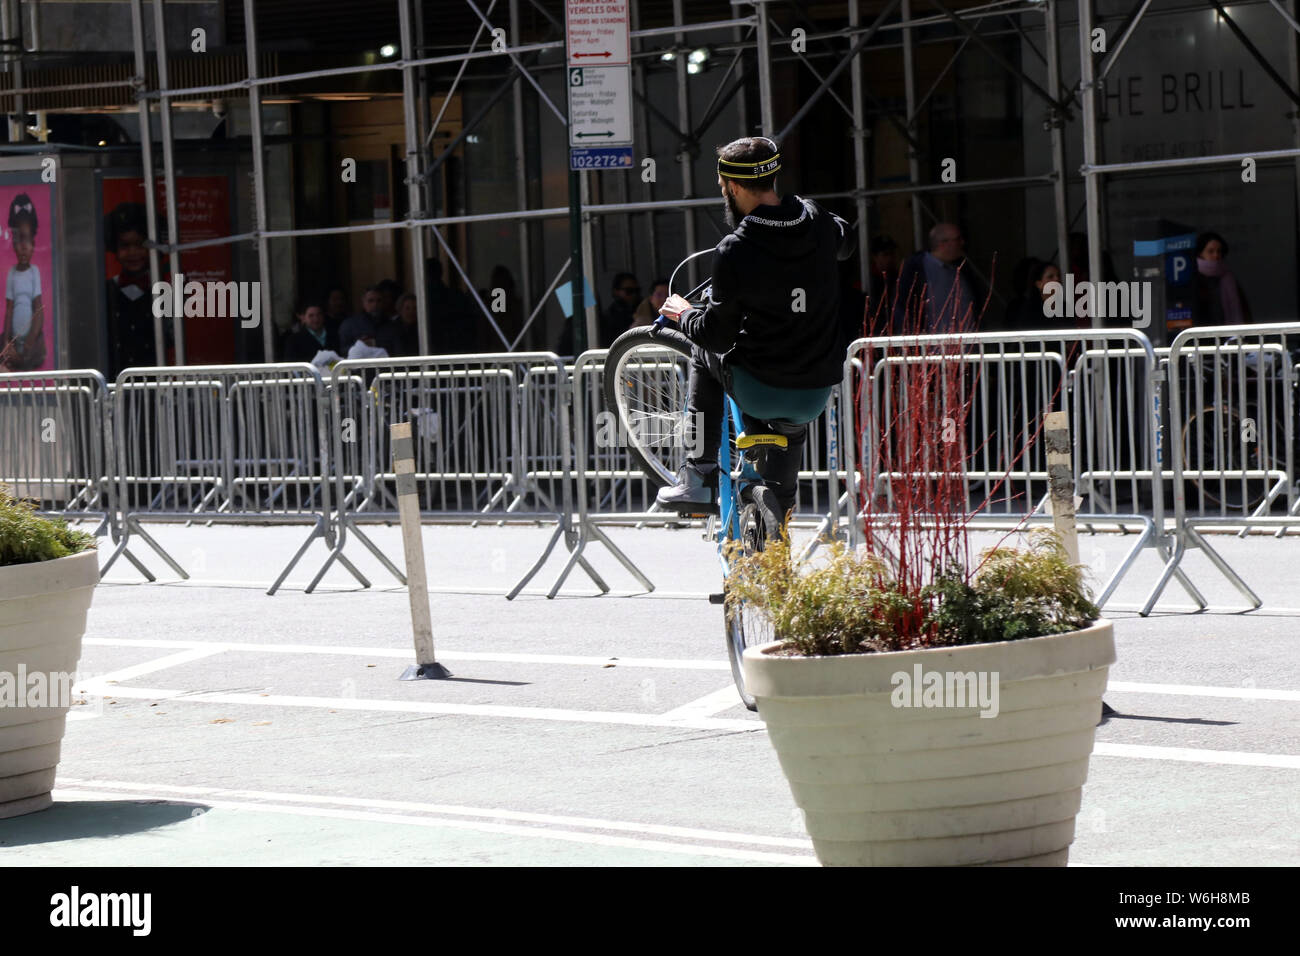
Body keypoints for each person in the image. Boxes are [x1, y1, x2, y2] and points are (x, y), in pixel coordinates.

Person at [654, 136, 853, 517]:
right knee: (788, 438)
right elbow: (844, 242)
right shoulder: (815, 221)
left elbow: (716, 334)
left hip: (760, 388)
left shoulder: (736, 248)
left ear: (732, 187)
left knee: (702, 352)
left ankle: (697, 476)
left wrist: (683, 314)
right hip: (815, 392)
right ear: (773, 177)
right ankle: (780, 513)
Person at [103, 202, 166, 377]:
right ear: (115, 250)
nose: (133, 253)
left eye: (140, 245)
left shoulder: (164, 290)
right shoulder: (105, 291)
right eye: (125, 246)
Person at [892, 222, 982, 334]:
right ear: (943, 244)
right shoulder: (916, 269)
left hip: (968, 345)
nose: (962, 243)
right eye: (958, 239)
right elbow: (902, 307)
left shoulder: (963, 268)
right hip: (932, 347)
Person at [0, 194, 45, 372]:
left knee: (33, 358)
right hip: (14, 337)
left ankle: (21, 360)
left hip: (31, 338)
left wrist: (30, 341)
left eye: (27, 240)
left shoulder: (34, 272)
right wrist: (6, 341)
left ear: (34, 243)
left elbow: (39, 309)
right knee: (6, 356)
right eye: (18, 240)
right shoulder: (12, 273)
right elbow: (9, 309)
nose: (23, 247)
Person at [1193, 231, 1250, 326]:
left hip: (1226, 335)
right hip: (1201, 334)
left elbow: (1241, 310)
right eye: (1210, 251)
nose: (1216, 255)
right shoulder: (1194, 277)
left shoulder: (1229, 278)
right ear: (1200, 253)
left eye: (1219, 251)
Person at [338, 285, 382, 353]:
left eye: (379, 301)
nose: (375, 304)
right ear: (363, 302)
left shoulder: (390, 324)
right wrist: (360, 345)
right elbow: (342, 350)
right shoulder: (350, 324)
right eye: (370, 301)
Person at [376, 292, 421, 356]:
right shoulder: (390, 329)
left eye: (415, 308)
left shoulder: (422, 328)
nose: (411, 312)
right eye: (407, 308)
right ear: (400, 309)